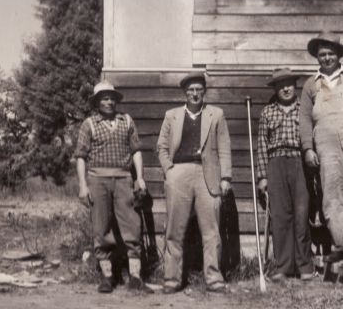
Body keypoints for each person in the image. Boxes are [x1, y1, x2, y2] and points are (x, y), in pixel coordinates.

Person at [156, 71, 232, 293]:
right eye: (191, 90)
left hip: (207, 174)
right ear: (185, 93)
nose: (195, 94)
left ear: (204, 92)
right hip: (178, 172)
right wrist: (169, 170)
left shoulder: (216, 115)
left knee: (211, 230)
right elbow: (161, 147)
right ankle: (172, 278)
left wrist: (225, 177)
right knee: (175, 229)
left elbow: (224, 147)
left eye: (199, 90)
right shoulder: (172, 115)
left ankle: (214, 277)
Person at [299, 32, 343, 263]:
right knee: (332, 195)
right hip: (326, 144)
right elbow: (304, 119)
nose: (327, 58)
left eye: (331, 53)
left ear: (339, 55)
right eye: (322, 55)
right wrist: (308, 148)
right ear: (317, 57)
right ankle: (342, 245)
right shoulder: (311, 84)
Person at [75, 80, 150, 293]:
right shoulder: (88, 124)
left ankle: (135, 277)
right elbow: (80, 156)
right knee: (101, 228)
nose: (108, 102)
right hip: (98, 180)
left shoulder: (126, 121)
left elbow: (136, 150)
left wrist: (140, 177)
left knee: (132, 225)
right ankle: (107, 277)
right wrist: (83, 185)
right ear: (97, 102)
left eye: (111, 98)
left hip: (124, 178)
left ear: (116, 100)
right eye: (104, 98)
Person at [256, 67, 314, 282]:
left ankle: (304, 266)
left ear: (295, 85)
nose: (286, 89)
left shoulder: (305, 109)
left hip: (300, 162)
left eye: (289, 84)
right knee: (280, 216)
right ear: (275, 89)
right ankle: (283, 266)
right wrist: (262, 176)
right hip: (276, 163)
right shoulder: (267, 112)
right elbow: (262, 145)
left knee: (301, 214)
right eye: (281, 86)